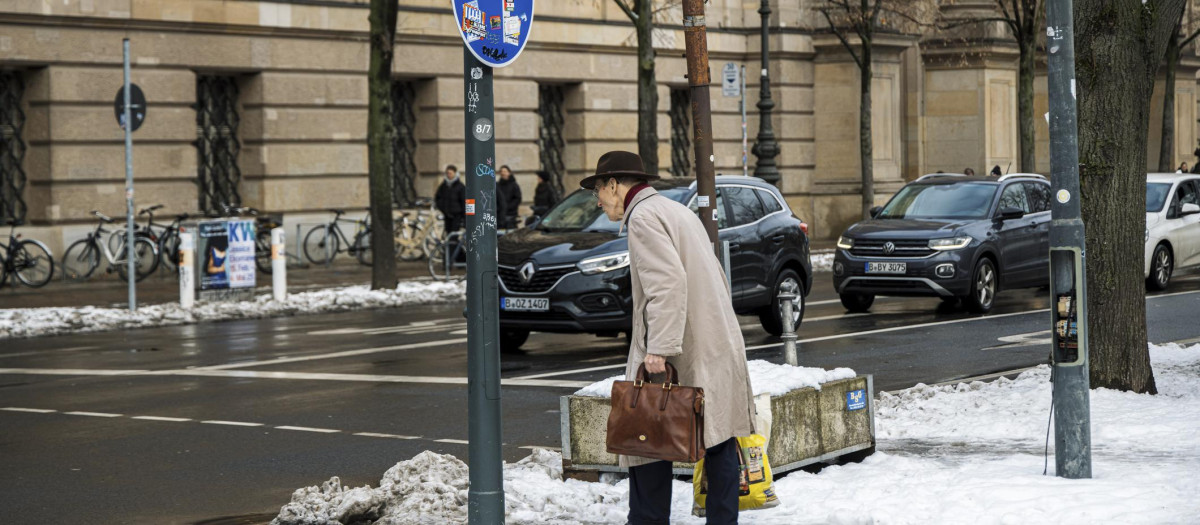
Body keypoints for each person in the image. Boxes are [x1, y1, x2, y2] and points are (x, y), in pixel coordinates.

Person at [580, 151, 755, 525]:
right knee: (718, 437)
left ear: (614, 184)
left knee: (644, 435)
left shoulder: (643, 217)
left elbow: (666, 284)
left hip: (683, 345)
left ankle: (647, 520)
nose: (598, 201)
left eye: (598, 190)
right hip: (713, 339)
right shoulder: (675, 211)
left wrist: (658, 348)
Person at [435, 164, 465, 232]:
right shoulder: (444, 185)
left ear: (455, 173)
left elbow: (463, 201)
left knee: (454, 234)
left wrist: (464, 217)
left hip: (456, 215)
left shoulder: (460, 186)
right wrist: (442, 208)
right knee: (448, 233)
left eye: (450, 173)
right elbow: (438, 197)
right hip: (447, 215)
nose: (449, 175)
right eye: (447, 173)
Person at [496, 165, 522, 229]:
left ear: (509, 173)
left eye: (505, 171)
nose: (503, 173)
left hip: (510, 214)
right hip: (500, 215)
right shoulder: (498, 185)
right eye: (501, 171)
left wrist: (507, 207)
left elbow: (517, 199)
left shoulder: (514, 185)